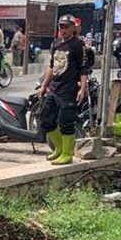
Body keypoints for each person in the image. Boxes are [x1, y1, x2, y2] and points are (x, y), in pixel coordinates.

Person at [38, 15, 90, 165]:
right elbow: (51, 67)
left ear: (73, 28)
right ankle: (59, 148)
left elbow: (83, 69)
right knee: (46, 119)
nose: (63, 29)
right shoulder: (55, 44)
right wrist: (44, 86)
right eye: (61, 26)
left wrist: (83, 88)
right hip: (54, 88)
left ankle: (67, 154)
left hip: (69, 89)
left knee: (65, 122)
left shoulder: (78, 45)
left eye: (66, 26)